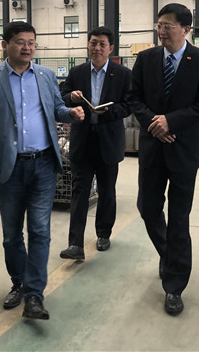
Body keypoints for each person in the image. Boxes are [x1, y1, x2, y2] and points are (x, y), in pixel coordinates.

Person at [0, 21, 85, 321]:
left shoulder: (46, 76)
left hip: (43, 164)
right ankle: (19, 282)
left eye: (32, 42)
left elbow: (56, 109)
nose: (27, 47)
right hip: (9, 168)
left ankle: (34, 295)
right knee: (11, 235)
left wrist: (71, 113)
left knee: (40, 231)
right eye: (21, 42)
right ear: (5, 45)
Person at [129, 3, 199, 316]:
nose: (161, 31)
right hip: (153, 147)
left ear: (185, 29)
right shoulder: (146, 59)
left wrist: (172, 122)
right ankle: (170, 256)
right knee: (148, 207)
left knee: (179, 217)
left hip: (182, 149)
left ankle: (174, 286)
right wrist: (155, 123)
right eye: (159, 25)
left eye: (167, 26)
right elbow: (133, 98)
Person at [59, 27, 132, 260]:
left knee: (107, 190)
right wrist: (71, 98)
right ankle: (75, 244)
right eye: (93, 43)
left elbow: (129, 104)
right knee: (79, 190)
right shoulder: (77, 72)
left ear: (111, 48)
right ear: (88, 46)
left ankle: (103, 233)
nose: (97, 48)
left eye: (102, 44)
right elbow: (63, 96)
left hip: (108, 139)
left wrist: (109, 111)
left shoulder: (122, 74)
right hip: (83, 139)